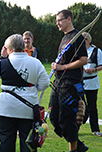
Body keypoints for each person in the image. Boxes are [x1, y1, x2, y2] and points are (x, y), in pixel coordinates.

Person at [0, 34, 49, 152]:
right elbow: (45, 83)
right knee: (27, 143)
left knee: (6, 142)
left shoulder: (3, 63)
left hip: (7, 109)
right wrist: (32, 89)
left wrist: (2, 57)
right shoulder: (35, 62)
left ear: (9, 49)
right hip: (28, 109)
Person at [49, 9, 88, 152]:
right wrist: (56, 66)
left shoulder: (77, 37)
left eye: (60, 20)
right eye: (56, 21)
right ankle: (79, 146)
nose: (57, 23)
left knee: (67, 118)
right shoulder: (64, 37)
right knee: (53, 117)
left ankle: (74, 150)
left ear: (69, 19)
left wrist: (63, 66)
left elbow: (84, 59)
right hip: (59, 83)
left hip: (70, 84)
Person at [82, 32, 102, 137]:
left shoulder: (96, 51)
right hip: (80, 82)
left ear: (87, 40)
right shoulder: (79, 52)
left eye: (82, 40)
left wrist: (93, 69)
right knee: (81, 105)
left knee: (92, 106)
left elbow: (101, 65)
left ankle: (95, 129)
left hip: (92, 82)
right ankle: (75, 127)